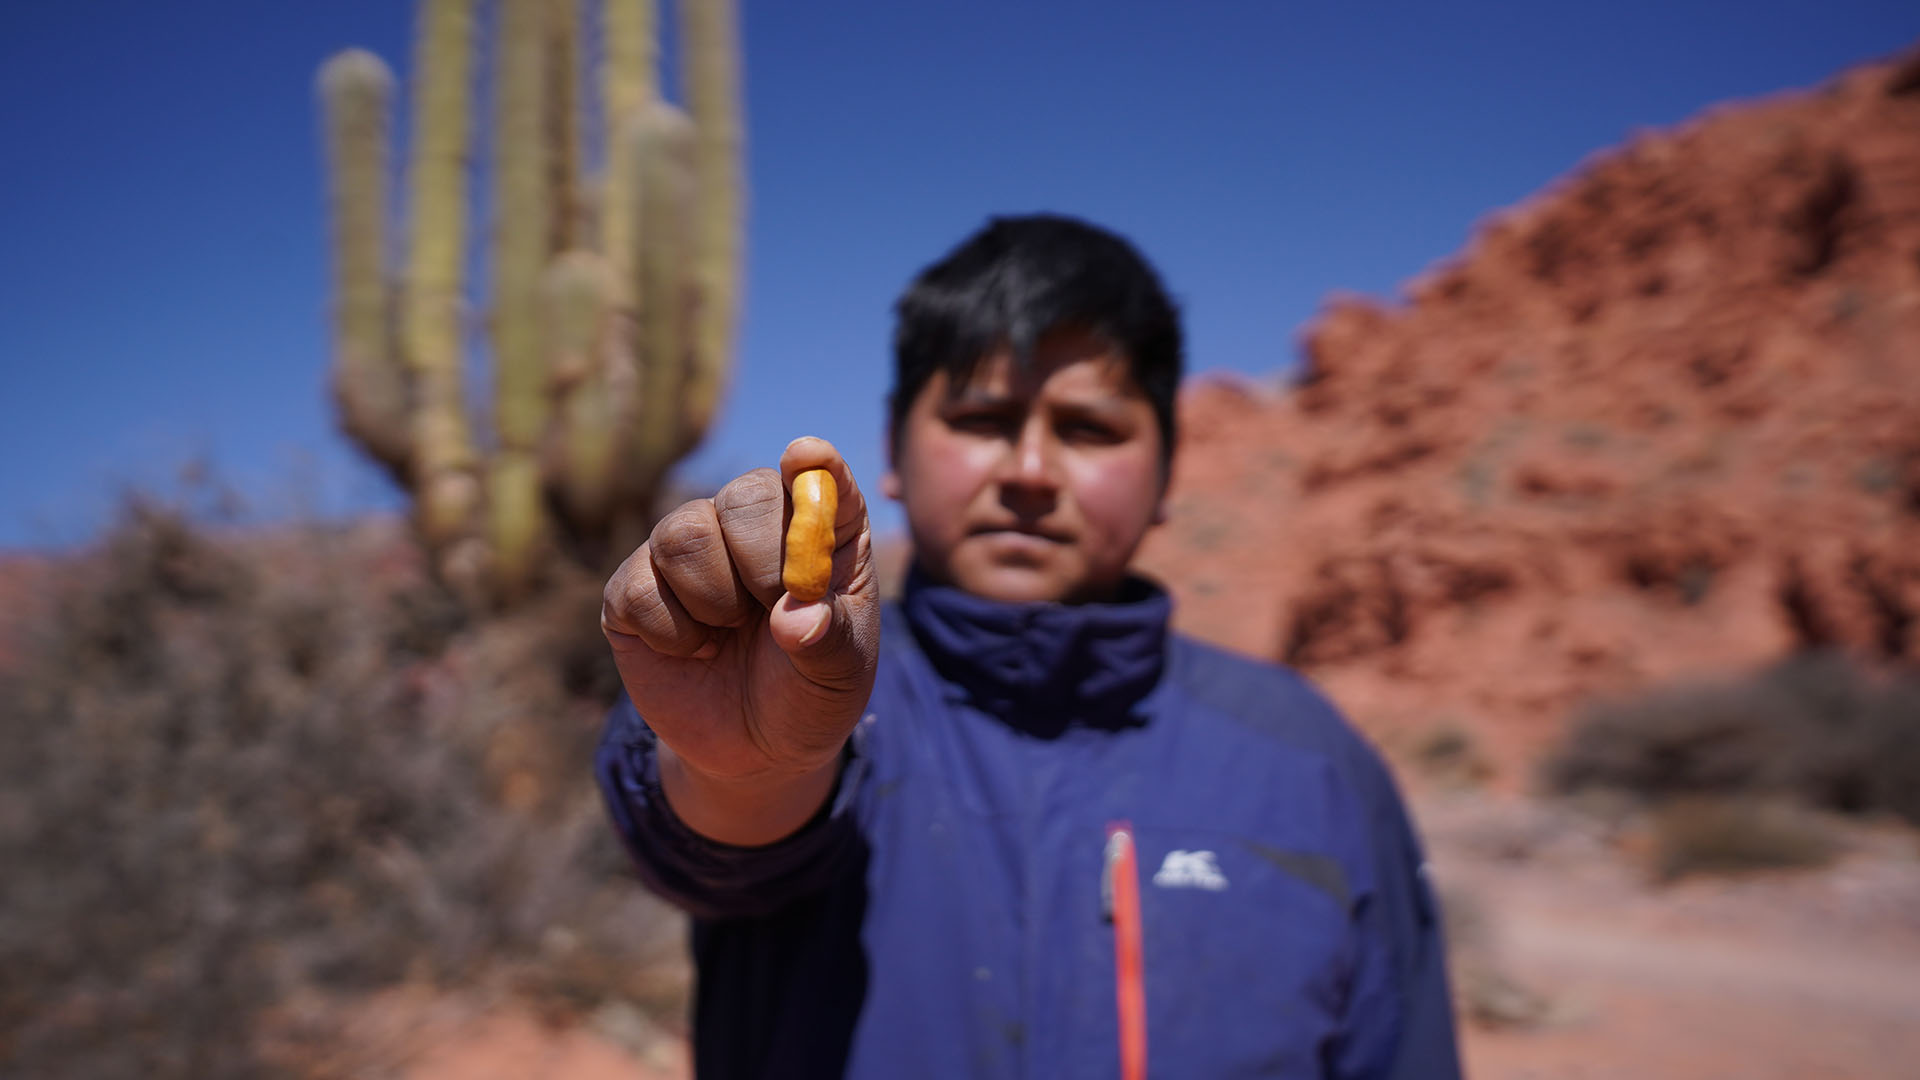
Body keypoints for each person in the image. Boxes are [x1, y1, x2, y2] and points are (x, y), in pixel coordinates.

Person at [596, 214, 1462, 1078]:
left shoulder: (1306, 757)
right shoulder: (817, 690)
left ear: (1167, 474)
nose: (1032, 472)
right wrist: (749, 766)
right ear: (893, 448)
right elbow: (717, 838)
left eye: (1089, 428)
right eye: (982, 418)